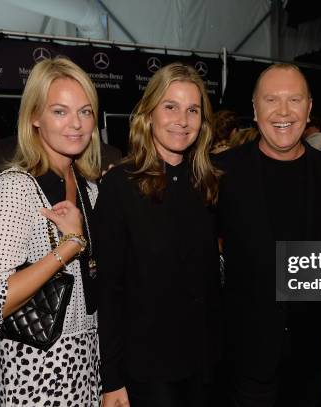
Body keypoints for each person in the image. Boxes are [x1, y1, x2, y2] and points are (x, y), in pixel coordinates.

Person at [0, 56, 102, 406]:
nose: (76, 124)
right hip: (37, 372)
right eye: (60, 111)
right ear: (35, 118)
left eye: (85, 112)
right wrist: (68, 246)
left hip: (89, 365)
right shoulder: (16, 189)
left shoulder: (91, 189)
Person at [215, 63, 321, 406]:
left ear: (310, 108)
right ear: (255, 110)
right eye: (271, 100)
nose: (284, 111)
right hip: (245, 362)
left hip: (315, 361)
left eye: (295, 99)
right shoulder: (222, 172)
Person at [95, 62, 221, 407]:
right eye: (171, 106)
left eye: (193, 109)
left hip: (205, 365)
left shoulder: (208, 184)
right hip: (148, 372)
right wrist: (111, 380)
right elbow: (109, 291)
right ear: (148, 114)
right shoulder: (120, 186)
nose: (182, 119)